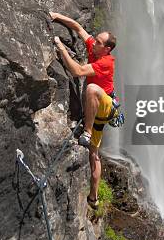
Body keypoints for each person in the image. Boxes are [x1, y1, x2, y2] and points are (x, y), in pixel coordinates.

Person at [49, 11, 118, 209]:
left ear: (106, 49)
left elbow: (78, 71)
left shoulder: (106, 63)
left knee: (91, 88)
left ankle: (87, 131)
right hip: (96, 106)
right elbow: (78, 28)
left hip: (105, 106)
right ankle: (93, 197)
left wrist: (61, 48)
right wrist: (57, 17)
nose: (93, 42)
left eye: (98, 42)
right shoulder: (95, 49)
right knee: (93, 155)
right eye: (95, 40)